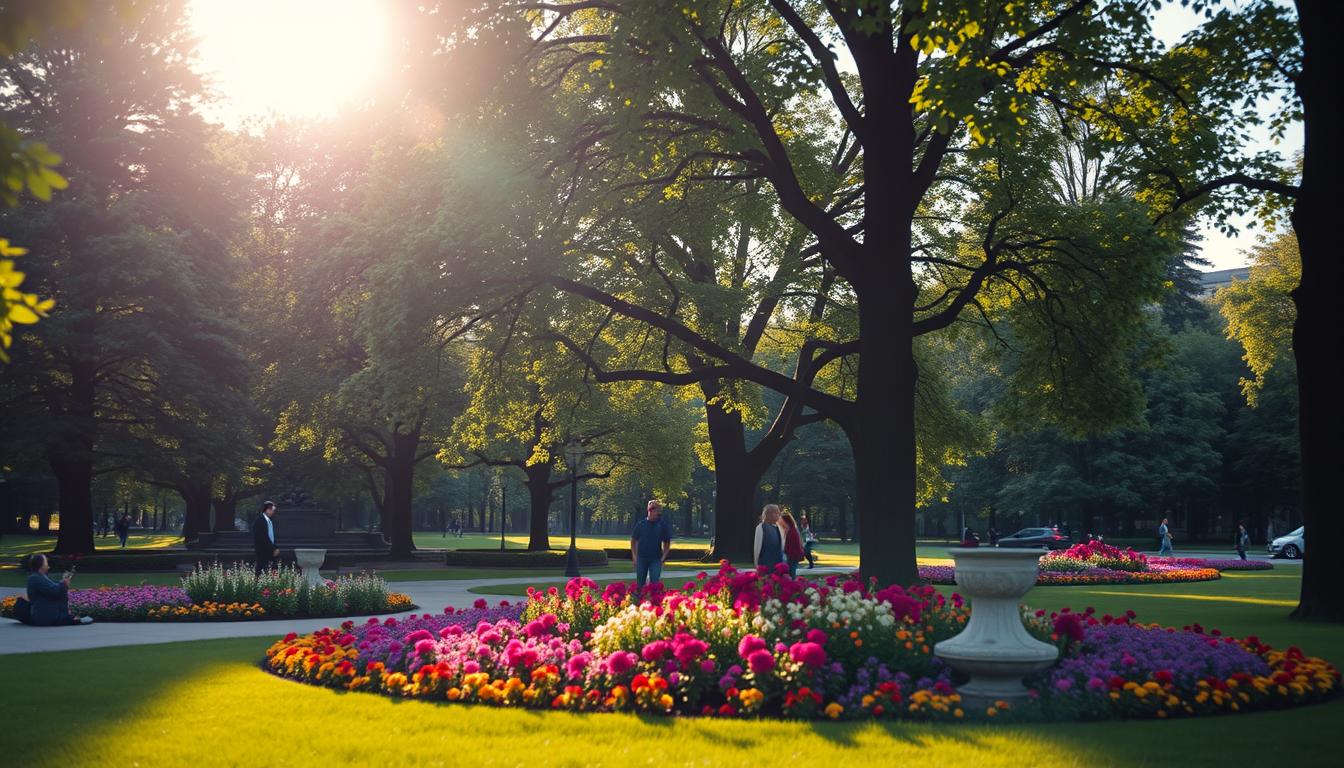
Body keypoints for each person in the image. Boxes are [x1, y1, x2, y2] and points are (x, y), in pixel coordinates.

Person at [24, 554, 93, 625]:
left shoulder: (40, 576)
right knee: (76, 619)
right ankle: (72, 619)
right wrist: (64, 583)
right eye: (45, 561)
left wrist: (63, 582)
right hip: (46, 616)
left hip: (49, 614)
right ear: (41, 565)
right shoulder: (35, 578)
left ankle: (71, 618)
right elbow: (55, 591)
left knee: (79, 619)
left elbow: (53, 588)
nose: (47, 562)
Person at [630, 499, 671, 590]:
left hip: (656, 559)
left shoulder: (662, 525)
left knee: (655, 584)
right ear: (650, 510)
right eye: (657, 511)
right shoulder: (641, 524)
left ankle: (654, 602)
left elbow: (667, 542)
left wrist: (663, 558)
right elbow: (633, 540)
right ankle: (640, 601)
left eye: (659, 511)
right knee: (640, 584)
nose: (659, 514)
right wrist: (634, 556)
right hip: (641, 558)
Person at [753, 504, 786, 570]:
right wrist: (757, 564)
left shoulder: (780, 528)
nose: (778, 515)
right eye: (776, 513)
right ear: (768, 514)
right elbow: (757, 547)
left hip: (778, 563)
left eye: (778, 513)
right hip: (765, 564)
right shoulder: (761, 527)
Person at [253, 500, 280, 576]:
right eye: (272, 510)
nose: (273, 512)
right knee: (261, 573)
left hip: (269, 550)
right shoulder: (260, 520)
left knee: (271, 573)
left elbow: (270, 536)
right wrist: (273, 549)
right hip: (263, 551)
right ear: (267, 510)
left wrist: (275, 547)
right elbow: (262, 537)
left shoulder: (268, 521)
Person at [780, 510, 806, 578]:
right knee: (791, 573)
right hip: (793, 556)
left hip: (792, 556)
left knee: (791, 574)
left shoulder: (791, 531)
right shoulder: (792, 529)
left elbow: (789, 546)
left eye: (781, 521)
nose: (779, 523)